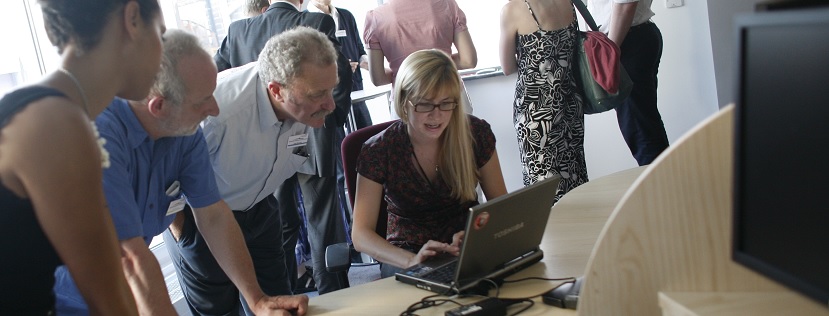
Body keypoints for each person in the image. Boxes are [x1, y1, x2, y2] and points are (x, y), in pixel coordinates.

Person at [52, 29, 308, 316]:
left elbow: (213, 216)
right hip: (52, 295)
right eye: (203, 101)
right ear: (158, 106)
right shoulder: (98, 134)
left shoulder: (183, 132)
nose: (214, 109)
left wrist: (257, 300)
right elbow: (130, 257)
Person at [0, 0, 164, 314]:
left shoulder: (43, 108)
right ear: (132, 19)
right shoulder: (56, 123)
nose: (163, 52)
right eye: (161, 33)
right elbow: (109, 302)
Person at [164, 26, 338, 314]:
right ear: (277, 91)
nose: (330, 104)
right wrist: (186, 236)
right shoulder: (218, 114)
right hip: (201, 220)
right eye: (319, 94)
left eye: (331, 89)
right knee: (220, 311)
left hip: (260, 209)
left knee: (280, 303)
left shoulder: (300, 102)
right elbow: (166, 184)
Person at [214, 0, 353, 294]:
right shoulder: (316, 23)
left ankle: (292, 290)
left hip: (265, 162)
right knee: (322, 222)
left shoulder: (238, 30)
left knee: (281, 226)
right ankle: (333, 294)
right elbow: (338, 83)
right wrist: (331, 118)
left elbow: (218, 71)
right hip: (307, 140)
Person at [351, 49, 508, 278]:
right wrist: (413, 261)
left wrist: (478, 233)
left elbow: (501, 206)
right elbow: (360, 235)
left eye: (446, 103)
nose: (437, 116)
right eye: (425, 105)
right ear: (404, 101)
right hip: (405, 254)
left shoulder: (475, 134)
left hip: (464, 247)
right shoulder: (379, 150)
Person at [499, 0, 589, 202]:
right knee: (573, 175)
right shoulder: (568, 3)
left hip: (536, 108)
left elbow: (507, 67)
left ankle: (550, 232)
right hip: (569, 103)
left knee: (542, 183)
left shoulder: (512, 10)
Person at [588, 0, 669, 165]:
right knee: (642, 126)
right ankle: (664, 184)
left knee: (640, 130)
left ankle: (660, 186)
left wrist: (609, 54)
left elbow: (625, 4)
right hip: (630, 39)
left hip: (627, 42)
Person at [308, 0, 373, 131]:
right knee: (338, 145)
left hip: (356, 90)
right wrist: (340, 68)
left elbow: (359, 50)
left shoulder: (346, 15)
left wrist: (372, 66)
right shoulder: (306, 19)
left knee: (367, 139)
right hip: (328, 97)